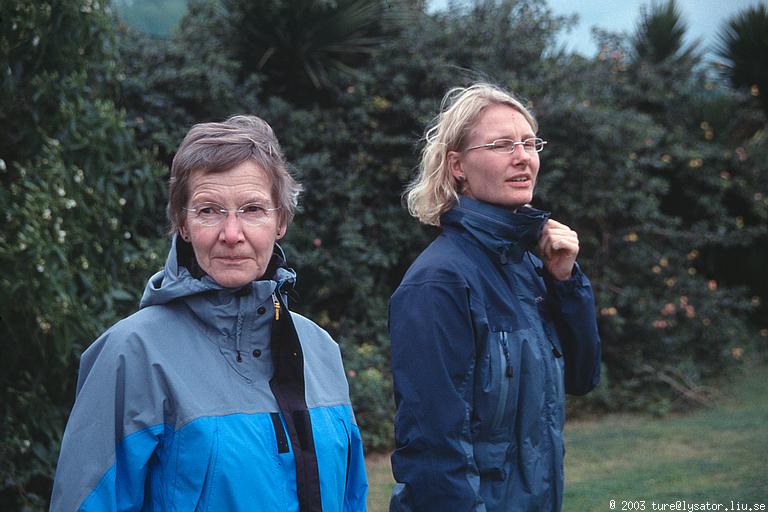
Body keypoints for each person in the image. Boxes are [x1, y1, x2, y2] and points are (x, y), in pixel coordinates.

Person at [51, 115, 367, 511]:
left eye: (253, 209)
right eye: (209, 210)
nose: (232, 234)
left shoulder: (320, 350)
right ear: (182, 224)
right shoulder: (131, 354)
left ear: (280, 221)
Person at [388, 83, 601, 512]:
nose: (522, 156)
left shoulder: (531, 265)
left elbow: (583, 378)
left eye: (528, 142)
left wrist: (566, 283)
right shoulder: (439, 283)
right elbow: (434, 454)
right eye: (502, 144)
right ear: (457, 166)